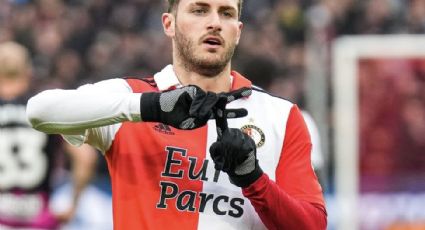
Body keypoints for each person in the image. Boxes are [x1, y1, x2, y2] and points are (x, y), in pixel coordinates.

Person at [26, 0, 327, 229]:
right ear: (169, 24)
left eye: (226, 13)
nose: (214, 23)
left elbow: (312, 225)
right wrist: (150, 107)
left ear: (238, 31)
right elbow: (40, 111)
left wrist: (253, 179)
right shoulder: (132, 98)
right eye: (199, 10)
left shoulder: (280, 115)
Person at [0, 41, 97, 229]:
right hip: (39, 219)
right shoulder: (43, 110)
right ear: (28, 71)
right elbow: (86, 157)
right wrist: (73, 203)